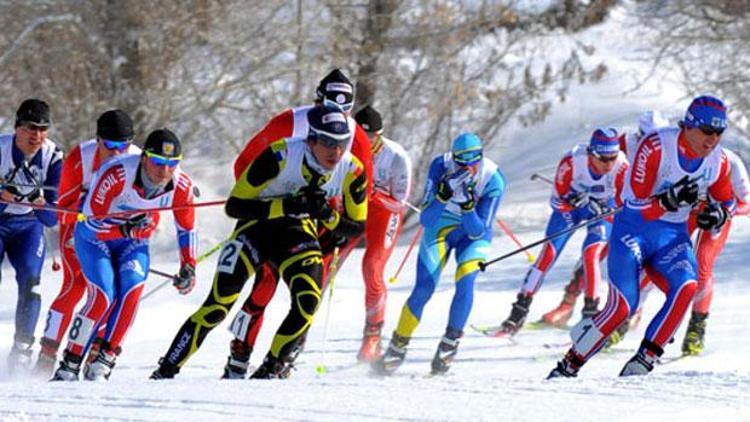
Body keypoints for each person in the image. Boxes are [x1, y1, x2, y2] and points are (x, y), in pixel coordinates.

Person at [150, 105, 367, 380]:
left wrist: (327, 215)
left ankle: (269, 370)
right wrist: (286, 205)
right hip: (255, 228)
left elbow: (358, 228)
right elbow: (235, 206)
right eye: (327, 142)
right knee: (218, 306)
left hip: (296, 232)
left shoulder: (352, 170)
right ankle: (166, 370)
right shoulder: (280, 154)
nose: (335, 152)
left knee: (307, 302)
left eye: (341, 144)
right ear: (311, 138)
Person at [548, 95, 735, 378]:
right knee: (624, 306)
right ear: (689, 126)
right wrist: (667, 201)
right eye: (707, 131)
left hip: (672, 236)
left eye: (719, 133)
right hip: (633, 231)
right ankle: (568, 366)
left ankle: (644, 361)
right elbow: (633, 203)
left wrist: (719, 214)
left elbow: (727, 200)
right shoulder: (657, 146)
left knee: (686, 286)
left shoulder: (719, 161)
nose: (712, 140)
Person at [218, 69, 374, 378]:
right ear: (318, 100)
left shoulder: (354, 134)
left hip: (321, 220)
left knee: (309, 292)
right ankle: (240, 352)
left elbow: (362, 189)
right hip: (278, 213)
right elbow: (244, 164)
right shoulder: (289, 122)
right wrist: (266, 203)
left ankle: (282, 358)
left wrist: (336, 219)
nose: (337, 117)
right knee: (263, 284)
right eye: (330, 106)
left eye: (345, 110)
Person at [51, 128, 197, 381]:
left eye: (172, 164)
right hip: (95, 239)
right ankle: (70, 362)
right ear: (144, 157)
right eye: (158, 162)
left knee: (132, 288)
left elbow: (186, 227)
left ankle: (105, 359)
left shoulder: (181, 185)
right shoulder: (116, 173)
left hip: (132, 242)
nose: (164, 171)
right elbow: (92, 221)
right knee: (103, 296)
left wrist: (189, 266)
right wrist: (123, 228)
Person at [374, 132, 506, 376]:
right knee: (424, 288)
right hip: (440, 230)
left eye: (473, 162)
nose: (467, 168)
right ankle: (397, 345)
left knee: (465, 282)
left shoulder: (493, 178)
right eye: (461, 162)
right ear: (453, 159)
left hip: (471, 235)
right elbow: (426, 218)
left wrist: (467, 205)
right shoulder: (440, 165)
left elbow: (478, 231)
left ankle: (449, 344)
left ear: (481, 158)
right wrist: (442, 195)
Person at [35, 109, 140, 375]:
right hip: (79, 225)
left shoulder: (138, 159)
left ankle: (95, 349)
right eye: (110, 146)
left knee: (112, 290)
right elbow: (63, 205)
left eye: (123, 145)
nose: (117, 152)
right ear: (98, 140)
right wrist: (77, 226)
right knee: (76, 284)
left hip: (116, 232)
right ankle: (48, 352)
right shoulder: (79, 158)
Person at [496, 128, 628, 336]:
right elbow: (556, 201)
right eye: (603, 159)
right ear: (591, 153)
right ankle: (518, 312)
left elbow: (625, 205)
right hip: (571, 210)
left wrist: (607, 210)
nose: (608, 164)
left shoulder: (621, 166)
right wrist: (576, 202)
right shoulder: (572, 161)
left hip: (602, 212)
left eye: (612, 158)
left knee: (591, 254)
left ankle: (590, 317)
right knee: (547, 255)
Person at [542, 112, 668, 327]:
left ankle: (633, 311)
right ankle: (568, 306)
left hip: (643, 213)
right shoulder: (622, 145)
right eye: (644, 136)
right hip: (614, 211)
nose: (649, 141)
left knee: (638, 261)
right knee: (591, 256)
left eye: (655, 137)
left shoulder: (666, 151)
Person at [0, 98, 63, 374]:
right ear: (17, 128)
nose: (36, 135)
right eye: (29, 128)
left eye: (42, 129)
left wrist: (40, 203)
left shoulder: (53, 156)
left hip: (28, 226)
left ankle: (22, 350)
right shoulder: (1, 148)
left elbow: (52, 217)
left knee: (32, 283)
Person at [352, 105, 412, 362]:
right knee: (321, 263)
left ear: (379, 134)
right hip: (353, 210)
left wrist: (373, 193)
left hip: (383, 214)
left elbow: (399, 202)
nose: (364, 142)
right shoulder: (344, 147)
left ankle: (373, 338)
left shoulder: (396, 156)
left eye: (370, 137)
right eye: (359, 136)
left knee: (372, 267)